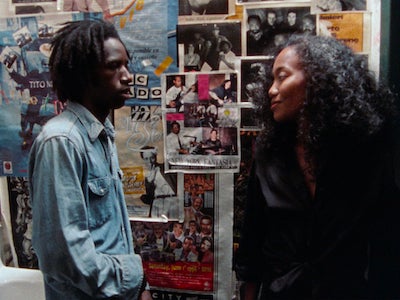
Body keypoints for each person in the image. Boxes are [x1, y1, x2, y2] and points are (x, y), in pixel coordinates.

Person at [234, 35, 400, 299]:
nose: (271, 90)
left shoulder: (364, 154)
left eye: (282, 76)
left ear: (318, 79)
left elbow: (386, 242)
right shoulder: (269, 155)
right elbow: (252, 244)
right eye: (272, 79)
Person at [28, 20, 151, 299]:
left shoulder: (101, 135)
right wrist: (134, 278)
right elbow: (65, 258)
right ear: (84, 75)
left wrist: (137, 286)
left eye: (126, 65)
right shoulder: (62, 141)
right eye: (113, 66)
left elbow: (111, 234)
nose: (127, 75)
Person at [139, 146, 178, 218]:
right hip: (157, 203)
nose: (150, 161)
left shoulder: (164, 167)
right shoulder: (144, 174)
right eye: (146, 159)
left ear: (156, 157)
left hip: (172, 201)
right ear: (143, 159)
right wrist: (149, 180)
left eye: (152, 158)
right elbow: (148, 196)